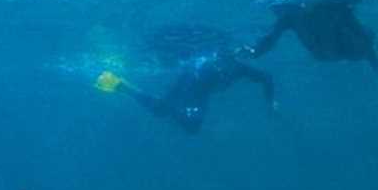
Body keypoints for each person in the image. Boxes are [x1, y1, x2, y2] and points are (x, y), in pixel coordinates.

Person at [97, 49, 275, 135]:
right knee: (168, 113)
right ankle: (119, 85)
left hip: (198, 87)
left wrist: (271, 101)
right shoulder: (211, 69)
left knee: (170, 114)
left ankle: (121, 86)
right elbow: (192, 87)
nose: (224, 69)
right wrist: (179, 110)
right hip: (191, 82)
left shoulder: (239, 69)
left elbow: (266, 77)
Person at [248, 0, 378, 75]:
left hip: (311, 16)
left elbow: (273, 36)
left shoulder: (342, 23)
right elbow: (272, 36)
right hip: (320, 13)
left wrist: (256, 51)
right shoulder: (343, 17)